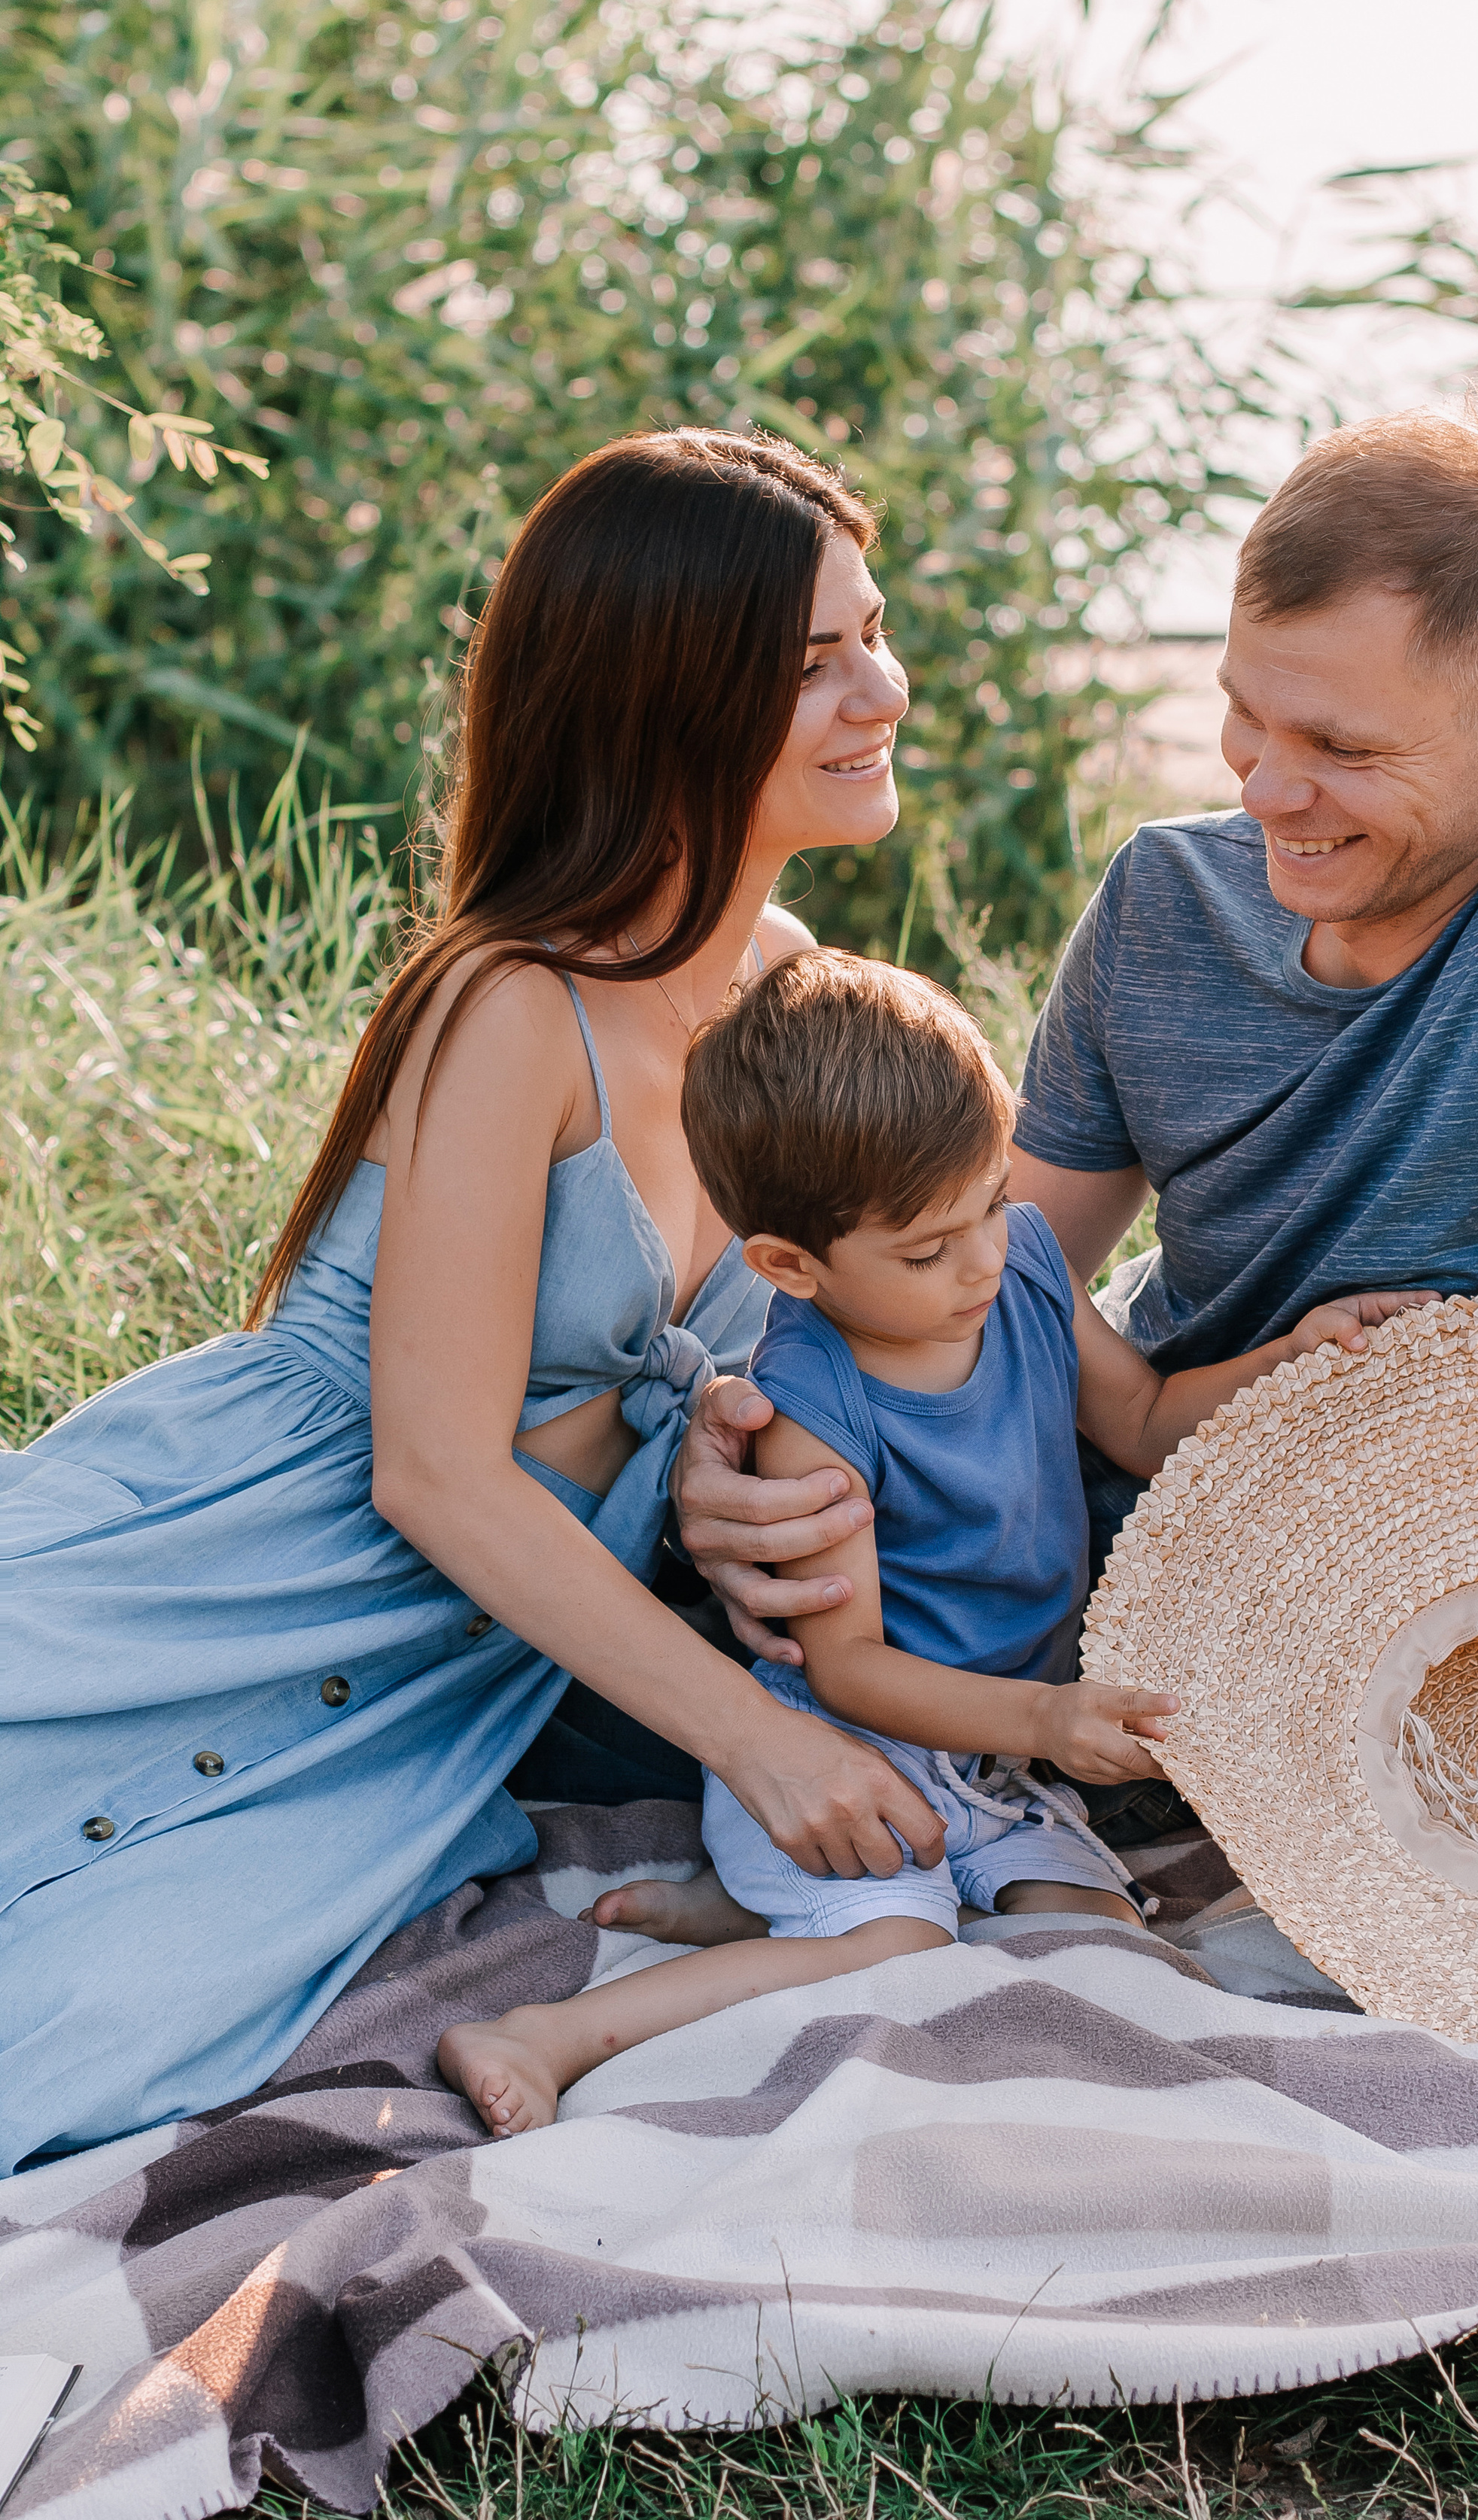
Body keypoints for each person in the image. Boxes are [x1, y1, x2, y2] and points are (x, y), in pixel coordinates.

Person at [0, 430, 955, 2177]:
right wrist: (750, 1741)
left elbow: (844, 1324)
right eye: (814, 661)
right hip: (217, 1566)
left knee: (100, 2023)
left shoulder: (792, 994)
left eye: (873, 635)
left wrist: (725, 1469)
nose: (881, 690)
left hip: (428, 1691)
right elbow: (434, 1469)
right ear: (663, 699)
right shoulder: (510, 1004)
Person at [666, 404, 1478, 1671]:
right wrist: (752, 1448)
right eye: (1246, 713)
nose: (1263, 791)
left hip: (1394, 1641)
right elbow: (974, 1276)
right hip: (1051, 1558)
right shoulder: (1166, 896)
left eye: (1341, 747)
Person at [438, 949, 1431, 2135]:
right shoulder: (812, 1401)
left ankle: (754, 1907)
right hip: (850, 1749)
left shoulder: (1026, 1273)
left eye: (991, 1204)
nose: (981, 1261)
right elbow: (847, 1666)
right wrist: (1045, 1719)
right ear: (790, 1265)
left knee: (1110, 1945)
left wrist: (1289, 1359)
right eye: (925, 1249)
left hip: (992, 1763)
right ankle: (552, 2033)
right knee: (896, 1946)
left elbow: (1142, 1416)